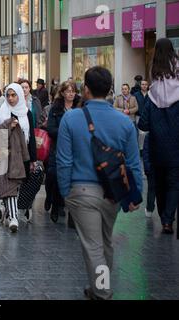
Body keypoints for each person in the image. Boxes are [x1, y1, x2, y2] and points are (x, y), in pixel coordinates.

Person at [57, 66, 142, 300]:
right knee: (105, 244)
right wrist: (135, 196)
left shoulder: (71, 118)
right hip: (113, 192)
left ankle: (102, 291)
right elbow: (134, 163)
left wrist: (65, 192)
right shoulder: (124, 122)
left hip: (81, 191)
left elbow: (64, 160)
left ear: (85, 89)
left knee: (94, 246)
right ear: (110, 90)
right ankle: (98, 286)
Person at [138, 38, 179, 235]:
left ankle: (164, 216)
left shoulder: (152, 94)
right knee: (174, 182)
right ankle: (168, 220)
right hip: (176, 146)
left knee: (160, 183)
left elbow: (143, 123)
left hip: (156, 148)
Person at [0, 83, 37, 233]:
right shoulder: (1, 112)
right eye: (8, 95)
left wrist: (33, 159)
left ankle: (7, 208)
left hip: (22, 155)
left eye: (14, 95)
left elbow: (31, 137)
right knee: (10, 186)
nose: (11, 98)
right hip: (6, 154)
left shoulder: (27, 113)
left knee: (18, 185)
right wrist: (7, 126)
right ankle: (13, 217)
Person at [46, 81, 81, 224]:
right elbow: (51, 128)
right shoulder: (56, 108)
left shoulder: (80, 106)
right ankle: (54, 202)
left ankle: (70, 212)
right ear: (63, 93)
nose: (71, 93)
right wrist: (65, 133)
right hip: (58, 147)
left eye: (73, 91)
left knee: (73, 179)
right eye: (68, 91)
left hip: (76, 148)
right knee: (54, 175)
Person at [142, 134, 156, 218]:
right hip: (165, 167)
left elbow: (145, 152)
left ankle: (149, 209)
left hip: (151, 167)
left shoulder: (149, 135)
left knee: (151, 189)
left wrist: (147, 167)